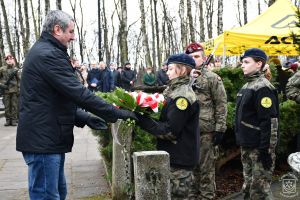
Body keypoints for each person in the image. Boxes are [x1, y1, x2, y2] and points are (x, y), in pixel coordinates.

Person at [16, 10, 137, 200]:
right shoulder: (47, 55)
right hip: (43, 140)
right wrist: (114, 113)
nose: (73, 37)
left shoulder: (49, 51)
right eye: (71, 32)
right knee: (47, 196)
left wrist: (84, 117)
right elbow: (79, 93)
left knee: (58, 192)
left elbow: (53, 99)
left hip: (48, 137)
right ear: (57, 29)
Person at [136, 53, 200, 199]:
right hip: (176, 155)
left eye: (171, 69)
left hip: (180, 160)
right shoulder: (173, 90)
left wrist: (142, 120)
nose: (167, 72)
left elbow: (170, 131)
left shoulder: (181, 96)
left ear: (182, 70)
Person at [185, 42, 227, 199]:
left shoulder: (212, 78)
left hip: (205, 131)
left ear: (203, 58)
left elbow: (221, 104)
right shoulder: (182, 79)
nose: (193, 59)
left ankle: (207, 196)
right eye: (190, 57)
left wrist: (220, 128)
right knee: (190, 168)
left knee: (205, 169)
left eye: (196, 56)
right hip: (187, 131)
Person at [235, 48, 279, 199]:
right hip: (247, 145)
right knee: (248, 187)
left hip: (259, 148)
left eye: (246, 62)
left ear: (259, 64)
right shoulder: (247, 86)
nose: (242, 65)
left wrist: (266, 150)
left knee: (259, 191)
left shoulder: (263, 88)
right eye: (242, 62)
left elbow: (270, 122)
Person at [0, 54, 20, 126]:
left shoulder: (16, 69)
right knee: (7, 106)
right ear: (5, 61)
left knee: (14, 105)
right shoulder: (2, 69)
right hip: (6, 91)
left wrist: (18, 88)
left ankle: (14, 120)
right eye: (7, 59)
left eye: (11, 59)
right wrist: (2, 85)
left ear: (13, 60)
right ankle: (8, 120)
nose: (9, 60)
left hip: (14, 90)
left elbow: (19, 80)